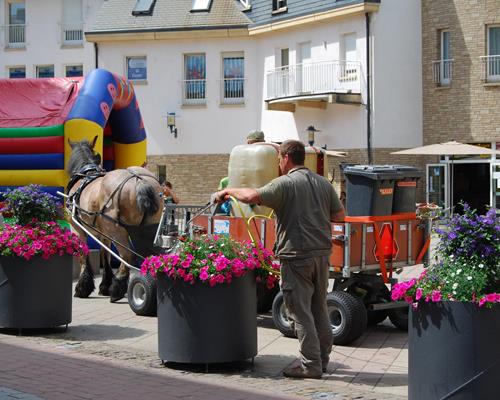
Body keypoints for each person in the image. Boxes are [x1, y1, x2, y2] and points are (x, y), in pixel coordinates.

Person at [213, 140, 345, 379]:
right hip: (322, 255)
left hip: (296, 256)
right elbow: (339, 215)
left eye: (279, 160)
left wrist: (227, 191)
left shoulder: (284, 184)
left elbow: (252, 196)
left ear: (285, 158)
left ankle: (310, 366)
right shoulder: (323, 183)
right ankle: (322, 361)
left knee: (301, 312)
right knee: (319, 309)